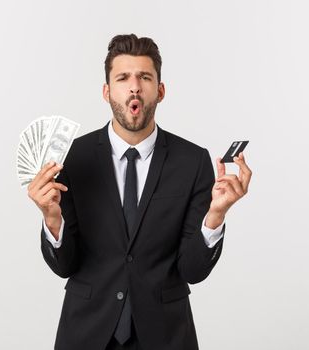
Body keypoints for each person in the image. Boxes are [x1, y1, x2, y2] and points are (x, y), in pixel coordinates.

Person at [28, 34, 252, 350]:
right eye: (123, 78)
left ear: (160, 91)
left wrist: (215, 216)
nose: (134, 86)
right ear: (107, 92)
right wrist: (52, 219)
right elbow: (65, 265)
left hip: (166, 336)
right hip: (86, 334)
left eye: (144, 77)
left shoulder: (192, 161)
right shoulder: (71, 158)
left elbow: (193, 270)